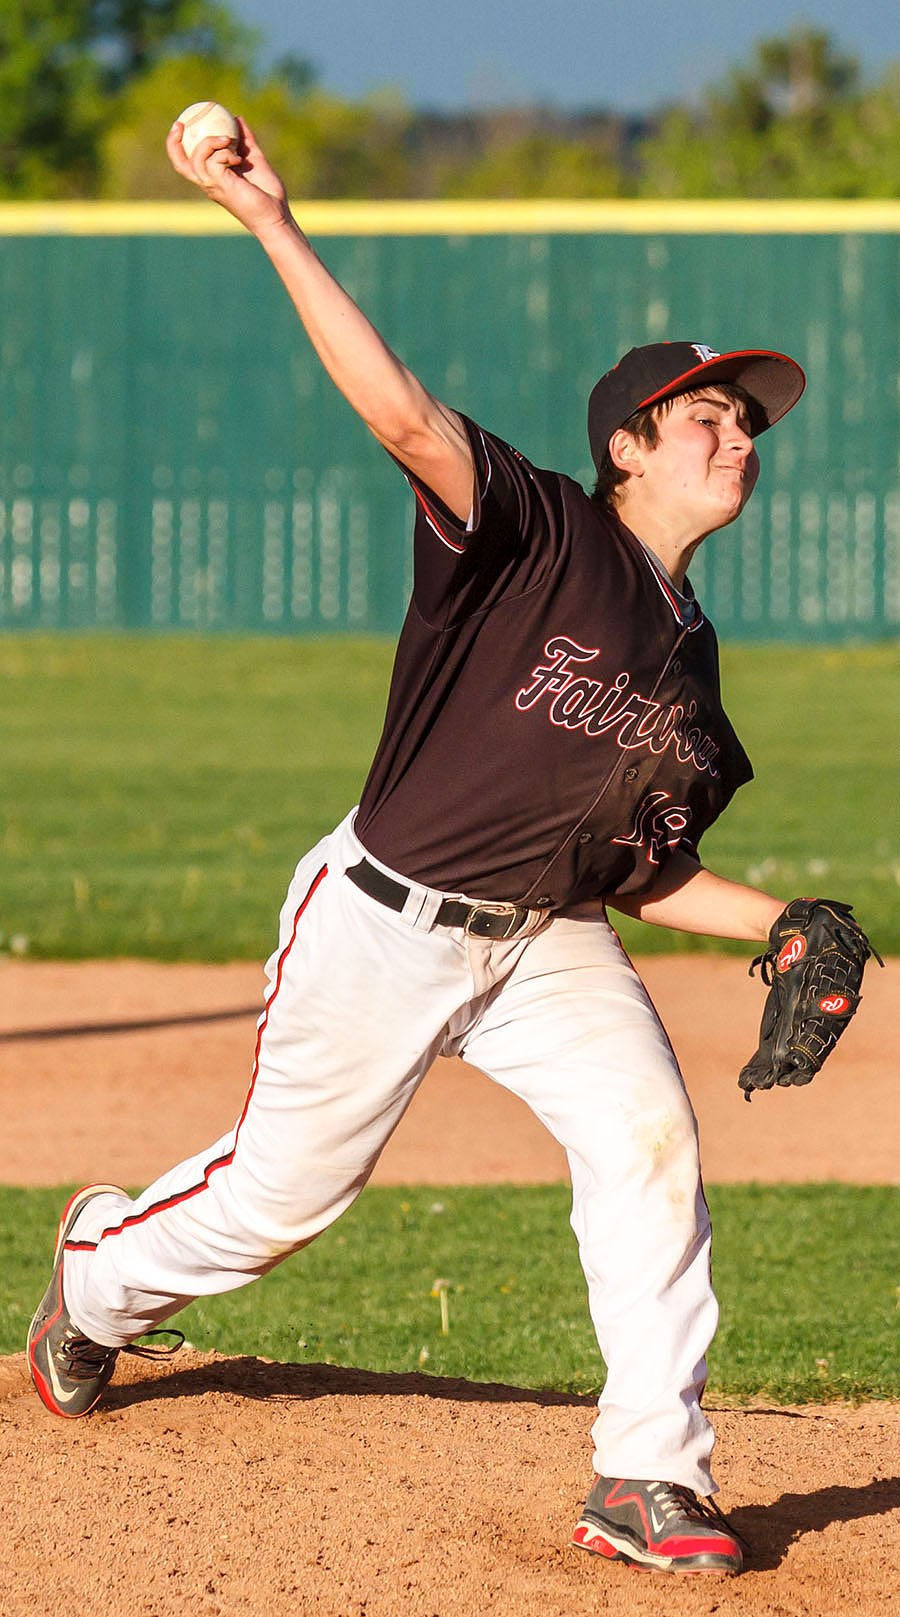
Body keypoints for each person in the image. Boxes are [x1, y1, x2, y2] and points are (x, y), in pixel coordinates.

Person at [28, 116, 809, 1578]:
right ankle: (96, 1272)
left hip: (544, 943)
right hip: (381, 920)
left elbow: (637, 874)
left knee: (650, 1144)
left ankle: (649, 1472)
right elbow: (401, 418)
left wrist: (781, 921)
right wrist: (271, 220)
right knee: (278, 1202)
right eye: (704, 414)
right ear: (627, 446)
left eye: (749, 420)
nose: (737, 435)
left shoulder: (693, 673)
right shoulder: (538, 528)